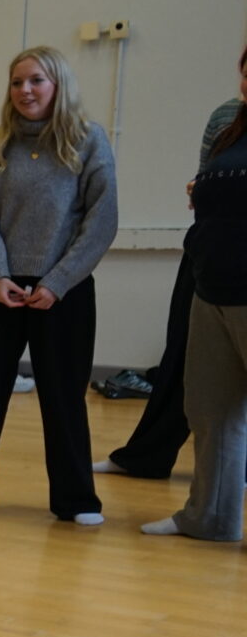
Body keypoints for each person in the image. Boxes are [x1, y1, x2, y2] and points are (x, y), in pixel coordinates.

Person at [0, 46, 117, 524]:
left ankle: (76, 500)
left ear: (58, 85)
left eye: (36, 81)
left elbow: (101, 219)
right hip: (1, 288)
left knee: (63, 396)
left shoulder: (88, 139)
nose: (25, 91)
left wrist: (58, 281)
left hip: (64, 291)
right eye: (17, 82)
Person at [99, 70, 246, 478]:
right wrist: (199, 188)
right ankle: (147, 456)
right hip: (209, 250)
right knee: (184, 357)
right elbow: (204, 181)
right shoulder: (226, 117)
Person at [143, 43, 247, 543]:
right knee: (210, 411)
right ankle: (209, 519)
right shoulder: (231, 126)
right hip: (211, 288)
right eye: (246, 72)